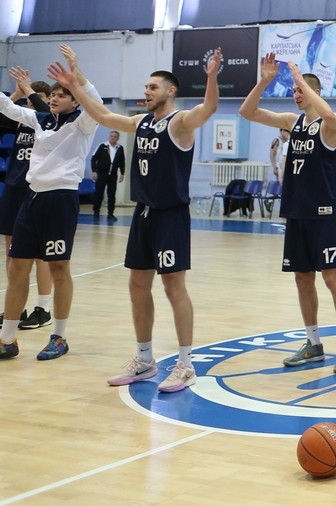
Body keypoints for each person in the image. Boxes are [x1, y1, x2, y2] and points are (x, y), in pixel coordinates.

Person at [55, 52, 222, 392]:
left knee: (173, 287)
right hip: (143, 214)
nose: (146, 91)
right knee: (137, 285)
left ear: (170, 91)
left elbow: (209, 108)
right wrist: (75, 85)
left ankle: (186, 365)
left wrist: (211, 76)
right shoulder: (141, 122)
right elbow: (103, 115)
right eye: (145, 87)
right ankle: (145, 360)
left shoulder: (180, 122)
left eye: (152, 87)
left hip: (170, 214)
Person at [239, 53, 336, 374]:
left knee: (332, 278)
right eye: (293, 90)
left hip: (325, 214)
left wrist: (301, 79)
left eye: (300, 89)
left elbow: (330, 114)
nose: (296, 94)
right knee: (303, 279)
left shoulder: (330, 125)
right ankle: (313, 343)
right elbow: (247, 112)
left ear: (314, 92)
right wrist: (264, 82)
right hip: (297, 213)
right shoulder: (292, 123)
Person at [0, 45, 103, 362]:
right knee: (17, 267)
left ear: (75, 100)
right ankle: (7, 339)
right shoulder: (41, 119)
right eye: (54, 94)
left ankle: (59, 336)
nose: (55, 98)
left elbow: (96, 103)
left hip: (60, 199)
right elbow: (7, 107)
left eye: (62, 94)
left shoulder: (83, 123)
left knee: (59, 268)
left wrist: (77, 76)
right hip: (32, 198)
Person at [0, 74, 53, 330]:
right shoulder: (22, 120)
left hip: (37, 191)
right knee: (12, 252)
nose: (32, 102)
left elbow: (46, 113)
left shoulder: (51, 122)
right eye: (30, 99)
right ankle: (16, 305)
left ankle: (43, 308)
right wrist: (17, 95)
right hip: (14, 189)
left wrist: (29, 91)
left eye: (37, 98)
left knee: (41, 255)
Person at [91, 130, 126, 221]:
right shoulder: (102, 146)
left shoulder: (120, 148)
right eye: (111, 136)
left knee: (112, 194)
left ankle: (110, 213)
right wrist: (94, 171)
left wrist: (122, 173)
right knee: (99, 193)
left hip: (113, 175)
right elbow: (94, 158)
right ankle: (96, 212)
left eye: (115, 136)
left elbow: (122, 161)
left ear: (117, 138)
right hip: (101, 174)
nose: (113, 138)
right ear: (109, 137)